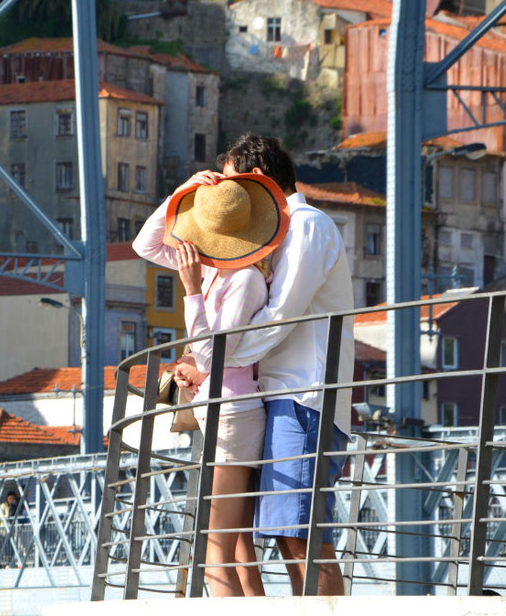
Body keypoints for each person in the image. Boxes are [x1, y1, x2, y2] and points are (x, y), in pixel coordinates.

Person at [172, 133, 355, 596]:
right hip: (280, 396)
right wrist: (193, 189)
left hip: (304, 394)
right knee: (287, 533)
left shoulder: (307, 225)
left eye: (234, 188)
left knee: (300, 535)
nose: (228, 199)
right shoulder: (278, 234)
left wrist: (218, 358)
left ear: (261, 182)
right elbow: (157, 244)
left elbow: (279, 317)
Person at [134, 171, 290, 597]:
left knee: (214, 548)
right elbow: (145, 244)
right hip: (224, 408)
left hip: (234, 414)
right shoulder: (216, 270)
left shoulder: (243, 279)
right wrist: (180, 189)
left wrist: (189, 290)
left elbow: (210, 354)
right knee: (238, 546)